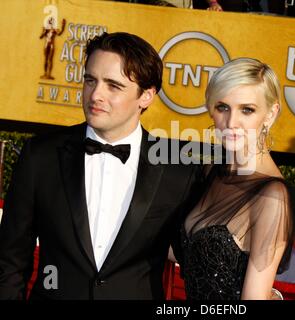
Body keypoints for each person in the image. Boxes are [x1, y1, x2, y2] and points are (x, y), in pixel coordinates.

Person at [0, 32, 203, 300]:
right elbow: (10, 260)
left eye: (113, 86)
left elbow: (197, 265)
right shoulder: (41, 156)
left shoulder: (178, 168)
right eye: (90, 80)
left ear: (147, 96)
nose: (96, 94)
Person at [173, 58, 295, 300]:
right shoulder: (212, 171)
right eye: (222, 107)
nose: (231, 123)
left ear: (271, 114)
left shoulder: (271, 197)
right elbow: (189, 254)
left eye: (247, 110)